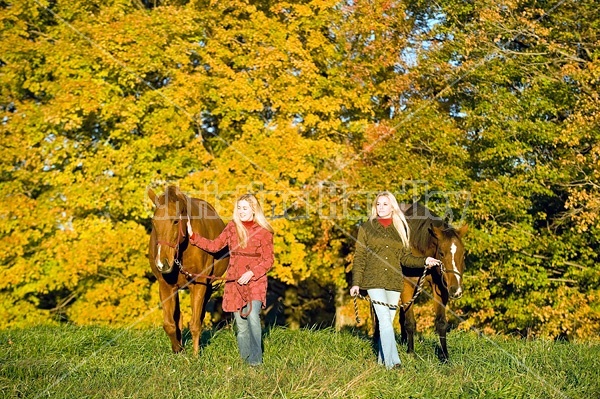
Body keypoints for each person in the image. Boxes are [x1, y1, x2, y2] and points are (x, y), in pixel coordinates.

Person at [349, 191, 440, 369]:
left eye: (385, 204)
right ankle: (395, 362)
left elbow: (406, 258)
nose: (381, 207)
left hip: (393, 282)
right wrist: (356, 283)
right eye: (378, 204)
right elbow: (359, 256)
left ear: (392, 207)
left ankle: (381, 363)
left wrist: (425, 261)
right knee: (383, 319)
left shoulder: (401, 229)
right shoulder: (366, 228)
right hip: (373, 280)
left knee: (387, 323)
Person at [187, 194, 274, 366]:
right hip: (234, 280)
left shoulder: (264, 232)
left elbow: (268, 260)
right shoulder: (232, 228)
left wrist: (252, 273)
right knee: (241, 326)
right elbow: (214, 246)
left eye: (245, 208)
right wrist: (193, 236)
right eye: (239, 208)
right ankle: (246, 361)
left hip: (255, 280)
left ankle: (256, 362)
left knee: (253, 317)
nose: (241, 212)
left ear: (254, 210)